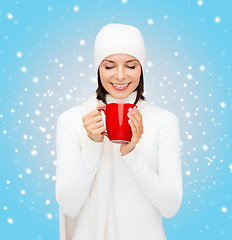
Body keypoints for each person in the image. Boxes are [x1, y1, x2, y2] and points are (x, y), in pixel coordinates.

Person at [55, 23, 183, 240]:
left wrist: (130, 153)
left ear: (142, 69)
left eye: (131, 66)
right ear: (97, 68)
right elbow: (69, 206)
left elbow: (170, 207)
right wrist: (92, 145)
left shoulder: (165, 121)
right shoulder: (72, 120)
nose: (121, 76)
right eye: (109, 66)